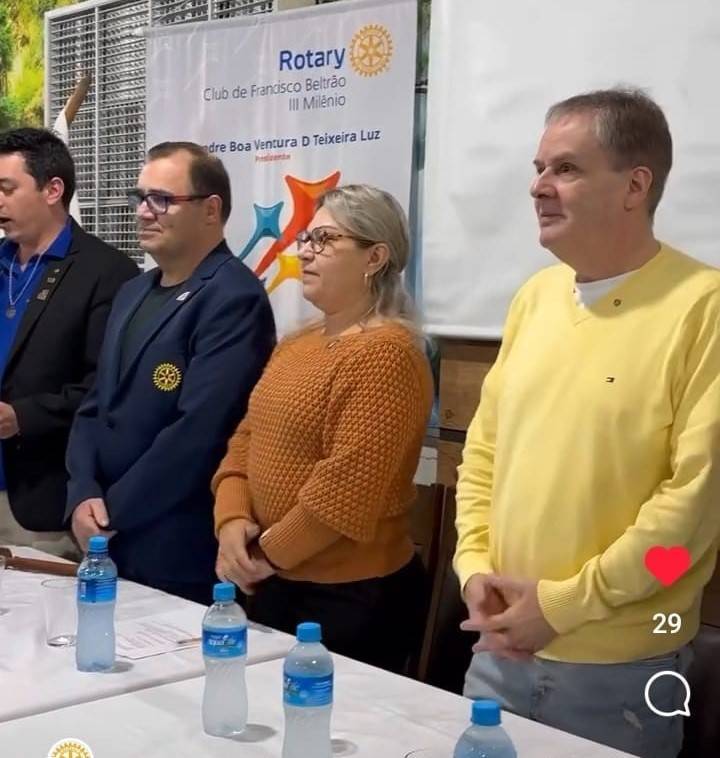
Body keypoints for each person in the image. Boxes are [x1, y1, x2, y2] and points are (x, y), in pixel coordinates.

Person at [455, 88, 720, 758]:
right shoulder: (535, 298)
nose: (538, 186)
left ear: (635, 186)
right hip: (496, 648)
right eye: (539, 168)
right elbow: (484, 453)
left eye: (566, 168)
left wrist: (563, 606)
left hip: (620, 673)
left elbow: (691, 511)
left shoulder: (704, 308)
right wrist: (473, 568)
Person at [213, 184, 433, 672]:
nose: (305, 252)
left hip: (350, 599)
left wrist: (261, 555)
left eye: (325, 239)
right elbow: (245, 439)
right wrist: (230, 521)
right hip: (271, 579)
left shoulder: (387, 354)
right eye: (306, 238)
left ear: (375, 257)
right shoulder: (299, 343)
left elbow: (344, 492)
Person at [65, 141, 275, 605]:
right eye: (140, 197)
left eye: (161, 199)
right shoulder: (133, 291)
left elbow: (198, 433)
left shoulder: (232, 298)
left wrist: (110, 513)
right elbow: (95, 406)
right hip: (105, 538)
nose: (144, 212)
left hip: (175, 549)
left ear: (210, 210)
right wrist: (81, 492)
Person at [0, 127, 137, 556]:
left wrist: (22, 416)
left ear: (52, 190)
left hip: (43, 500)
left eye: (7, 189)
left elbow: (106, 388)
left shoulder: (106, 273)